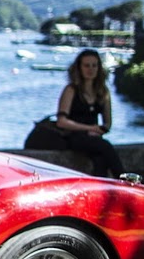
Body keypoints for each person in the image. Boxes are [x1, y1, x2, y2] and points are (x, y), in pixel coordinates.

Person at [54, 48, 125, 177]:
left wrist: (100, 130)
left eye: (94, 65)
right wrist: (89, 128)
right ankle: (125, 179)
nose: (90, 69)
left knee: (100, 160)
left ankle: (104, 187)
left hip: (94, 137)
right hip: (74, 137)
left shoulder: (103, 92)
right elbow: (61, 121)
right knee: (105, 146)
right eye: (86, 66)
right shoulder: (71, 90)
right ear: (79, 68)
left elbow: (108, 123)